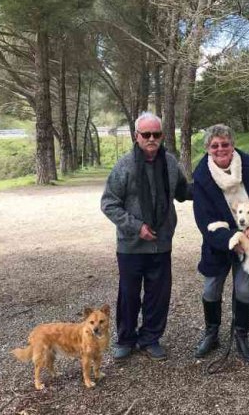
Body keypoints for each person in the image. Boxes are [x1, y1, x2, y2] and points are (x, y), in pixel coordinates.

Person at [101, 112, 192, 361]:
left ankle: (150, 338)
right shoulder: (125, 165)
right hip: (131, 245)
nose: (151, 139)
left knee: (158, 295)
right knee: (129, 295)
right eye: (146, 134)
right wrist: (136, 226)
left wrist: (214, 184)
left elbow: (183, 191)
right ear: (136, 136)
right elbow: (109, 203)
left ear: (162, 136)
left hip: (162, 243)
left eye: (156, 134)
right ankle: (126, 339)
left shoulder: (171, 164)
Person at [193, 124, 249, 361]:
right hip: (219, 241)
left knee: (244, 290)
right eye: (215, 145)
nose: (220, 149)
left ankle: (241, 335)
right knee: (211, 288)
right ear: (208, 149)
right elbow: (204, 219)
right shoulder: (202, 176)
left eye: (225, 144)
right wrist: (231, 241)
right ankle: (212, 334)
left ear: (232, 145)